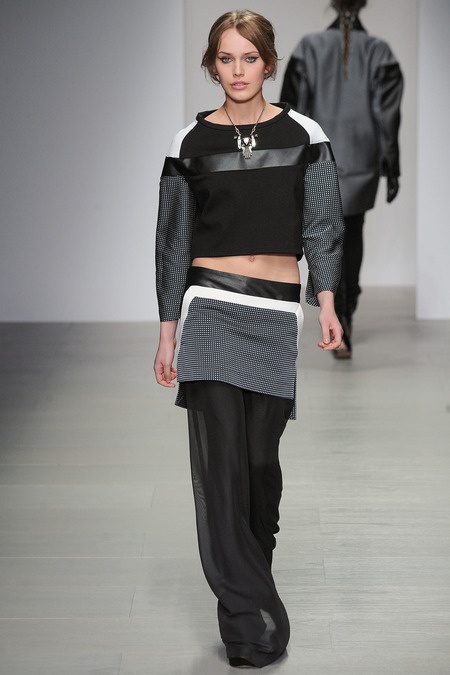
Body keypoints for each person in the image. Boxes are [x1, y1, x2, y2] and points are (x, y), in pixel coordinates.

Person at [153, 10, 344, 668]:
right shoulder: (189, 142)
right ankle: (249, 624)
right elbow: (173, 243)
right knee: (221, 468)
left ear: (269, 62)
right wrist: (167, 331)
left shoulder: (305, 134)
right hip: (209, 309)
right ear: (213, 64)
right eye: (226, 58)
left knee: (259, 467)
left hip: (273, 314)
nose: (237, 70)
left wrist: (327, 299)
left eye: (249, 57)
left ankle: (252, 591)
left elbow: (322, 224)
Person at [280, 0, 403, 358]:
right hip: (362, 158)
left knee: (325, 235)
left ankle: (336, 314)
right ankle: (346, 314)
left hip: (319, 158)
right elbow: (388, 115)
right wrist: (392, 166)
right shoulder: (379, 52)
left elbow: (292, 112)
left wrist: (288, 163)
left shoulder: (309, 48)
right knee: (354, 232)